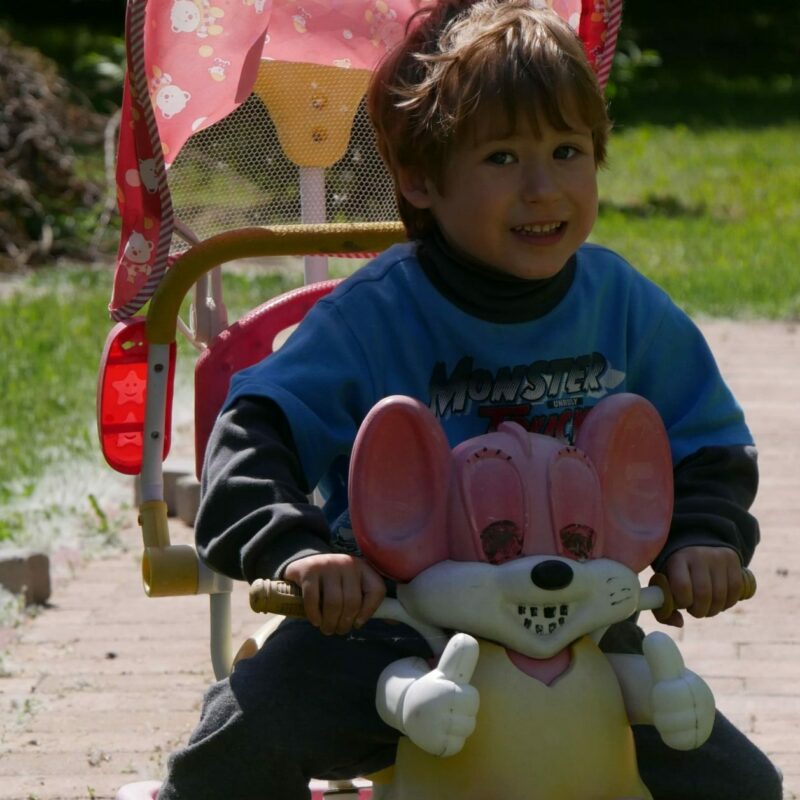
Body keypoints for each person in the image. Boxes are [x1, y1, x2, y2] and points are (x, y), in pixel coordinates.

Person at [156, 1, 782, 798]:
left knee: (739, 784)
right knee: (245, 737)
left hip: (581, 631)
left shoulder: (622, 305)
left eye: (567, 151)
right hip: (393, 627)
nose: (543, 188)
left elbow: (707, 443)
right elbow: (253, 430)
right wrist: (301, 552)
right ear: (420, 179)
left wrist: (703, 538)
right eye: (502, 158)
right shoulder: (374, 318)